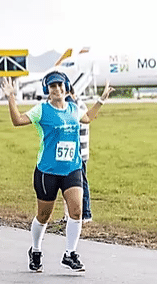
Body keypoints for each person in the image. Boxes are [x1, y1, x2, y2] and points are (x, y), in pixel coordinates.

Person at [1, 71, 114, 273]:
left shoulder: (73, 108)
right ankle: (35, 250)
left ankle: (70, 253)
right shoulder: (41, 110)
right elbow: (17, 120)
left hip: (72, 168)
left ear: (67, 87)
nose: (57, 89)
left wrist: (101, 100)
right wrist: (11, 97)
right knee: (44, 216)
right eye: (53, 86)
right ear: (47, 90)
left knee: (77, 211)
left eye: (60, 85)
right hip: (47, 172)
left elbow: (87, 118)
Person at [64, 86, 92, 223]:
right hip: (76, 151)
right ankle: (70, 214)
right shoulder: (79, 105)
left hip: (78, 151)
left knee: (81, 183)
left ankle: (86, 213)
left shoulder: (76, 106)